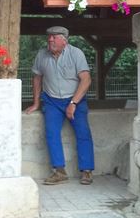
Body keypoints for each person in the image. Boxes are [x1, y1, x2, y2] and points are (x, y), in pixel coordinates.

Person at [25, 26, 95, 185]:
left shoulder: (76, 53)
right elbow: (37, 78)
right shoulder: (42, 54)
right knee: (51, 133)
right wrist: (36, 102)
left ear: (64, 41)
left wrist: (73, 103)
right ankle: (59, 171)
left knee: (83, 133)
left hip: (75, 99)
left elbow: (86, 79)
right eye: (49, 37)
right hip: (51, 100)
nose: (50, 40)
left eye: (54, 37)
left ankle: (87, 171)